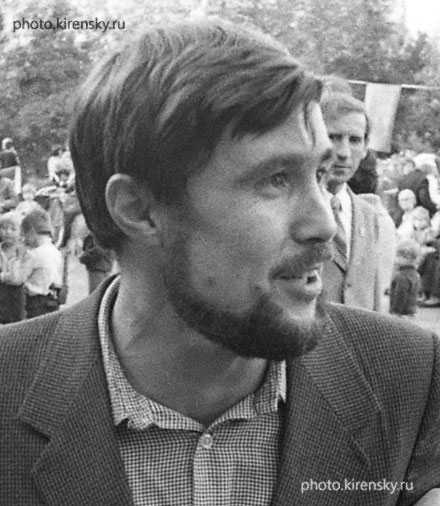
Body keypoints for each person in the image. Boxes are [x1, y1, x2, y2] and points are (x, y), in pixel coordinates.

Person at [0, 19, 439, 506]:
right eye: (275, 178)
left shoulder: (407, 378)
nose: (325, 224)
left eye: (318, 174)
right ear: (139, 210)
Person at [320, 92, 395, 311]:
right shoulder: (293, 208)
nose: (343, 152)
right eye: (333, 137)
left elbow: (374, 297)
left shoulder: (369, 215)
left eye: (354, 140)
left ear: (365, 148)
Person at [21, 208, 63, 318]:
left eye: (25, 235)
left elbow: (21, 278)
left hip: (34, 301)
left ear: (31, 232)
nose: (25, 240)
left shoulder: (34, 255)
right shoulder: (56, 252)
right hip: (52, 298)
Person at [0, 211, 30, 323]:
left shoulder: (25, 252)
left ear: (21, 233)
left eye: (13, 229)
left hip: (17, 298)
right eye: (4, 228)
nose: (7, 232)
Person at [398, 152, 438, 217]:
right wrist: (435, 209)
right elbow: (424, 199)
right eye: (430, 167)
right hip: (420, 215)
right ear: (425, 167)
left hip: (407, 215)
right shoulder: (422, 179)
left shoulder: (404, 179)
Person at [389, 238, 421, 317]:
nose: (395, 259)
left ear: (406, 257)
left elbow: (400, 295)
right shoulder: (415, 274)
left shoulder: (401, 276)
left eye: (398, 256)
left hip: (402, 313)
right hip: (412, 310)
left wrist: (395, 311)